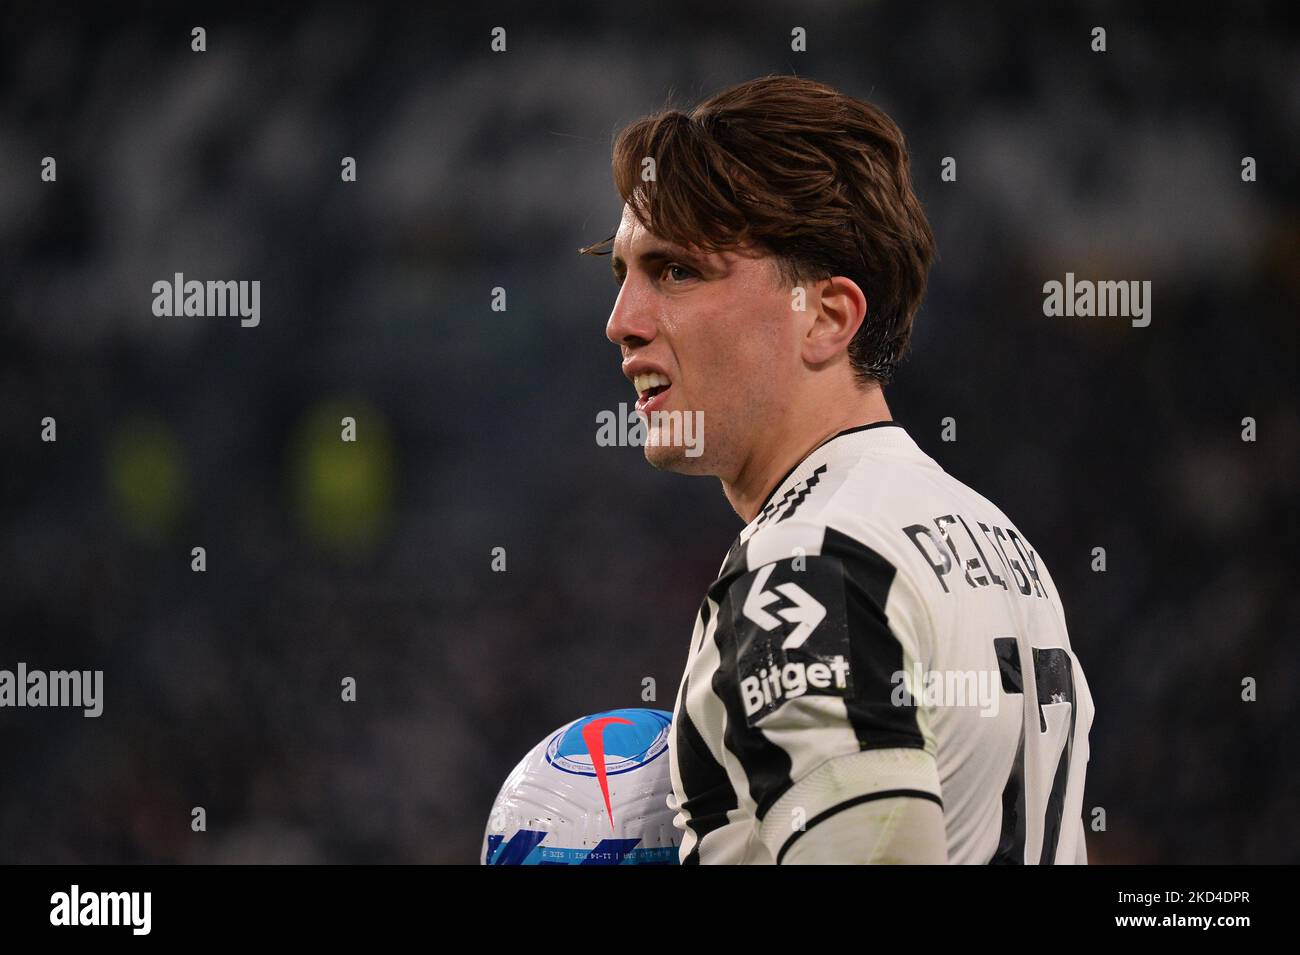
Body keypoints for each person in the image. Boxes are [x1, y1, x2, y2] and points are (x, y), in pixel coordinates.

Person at [581, 75, 1094, 864]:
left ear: (825, 317)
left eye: (676, 270)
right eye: (623, 273)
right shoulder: (999, 543)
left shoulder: (805, 565)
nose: (622, 322)